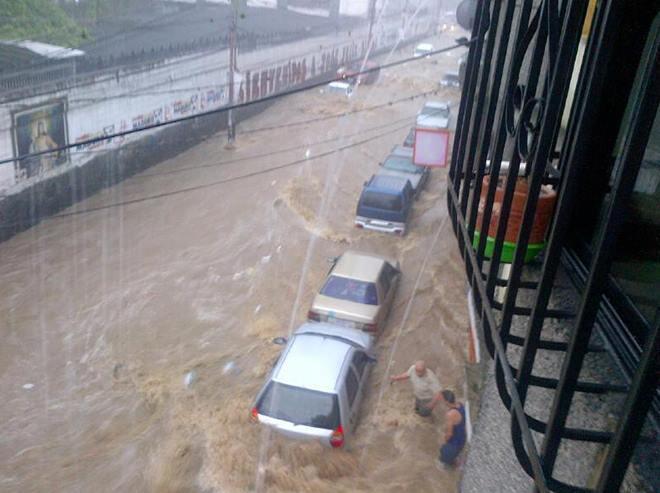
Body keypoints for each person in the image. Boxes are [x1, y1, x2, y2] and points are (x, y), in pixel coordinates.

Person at [437, 390, 467, 469]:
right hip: (462, 437)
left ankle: (456, 465)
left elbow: (449, 434)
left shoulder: (450, 414)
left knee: (441, 461)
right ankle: (457, 459)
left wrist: (445, 442)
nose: (441, 402)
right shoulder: (460, 404)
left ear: (446, 402)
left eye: (442, 400)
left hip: (456, 443)